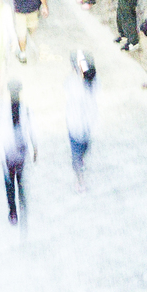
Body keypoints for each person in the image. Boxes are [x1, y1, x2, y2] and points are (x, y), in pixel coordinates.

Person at [1, 80, 37, 226]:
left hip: (9, 151)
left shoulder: (3, 110)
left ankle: (13, 211)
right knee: (20, 179)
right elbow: (31, 129)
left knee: (9, 183)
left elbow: (1, 132)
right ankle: (21, 205)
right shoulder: (25, 109)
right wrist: (35, 148)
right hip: (21, 150)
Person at [65, 52, 99, 191]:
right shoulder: (95, 83)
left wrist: (75, 71)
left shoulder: (73, 84)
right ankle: (81, 167)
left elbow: (69, 85)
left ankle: (80, 182)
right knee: (84, 148)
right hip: (88, 124)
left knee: (76, 155)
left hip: (75, 124)